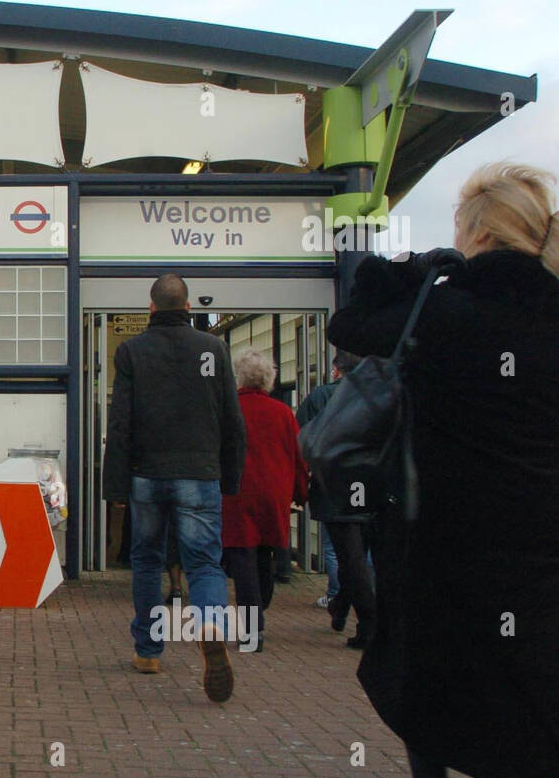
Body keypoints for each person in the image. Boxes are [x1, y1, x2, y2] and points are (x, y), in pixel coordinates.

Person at [328, 162, 559, 778]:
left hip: (445, 541)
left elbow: (346, 326)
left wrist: (414, 270)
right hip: (541, 548)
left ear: (477, 233)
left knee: (428, 686)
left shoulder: (445, 311)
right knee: (532, 700)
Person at [103, 273, 246, 702]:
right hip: (200, 475)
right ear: (188, 308)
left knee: (146, 561)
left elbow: (121, 422)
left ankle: (148, 651)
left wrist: (117, 486)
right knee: (204, 564)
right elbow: (232, 421)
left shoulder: (131, 351)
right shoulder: (214, 349)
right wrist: (230, 477)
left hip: (147, 474)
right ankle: (210, 625)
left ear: (151, 308)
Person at [220, 350, 308, 652]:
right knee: (266, 552)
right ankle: (262, 602)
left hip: (237, 492)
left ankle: (252, 628)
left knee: (242, 557)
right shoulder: (283, 412)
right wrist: (300, 492)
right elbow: (299, 456)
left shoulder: (230, 410)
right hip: (274, 493)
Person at [296, 350, 376, 647]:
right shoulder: (377, 397)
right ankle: (341, 605)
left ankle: (368, 623)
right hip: (372, 485)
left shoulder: (320, 398)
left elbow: (304, 439)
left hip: (335, 486)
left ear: (336, 370)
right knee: (356, 557)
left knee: (350, 558)